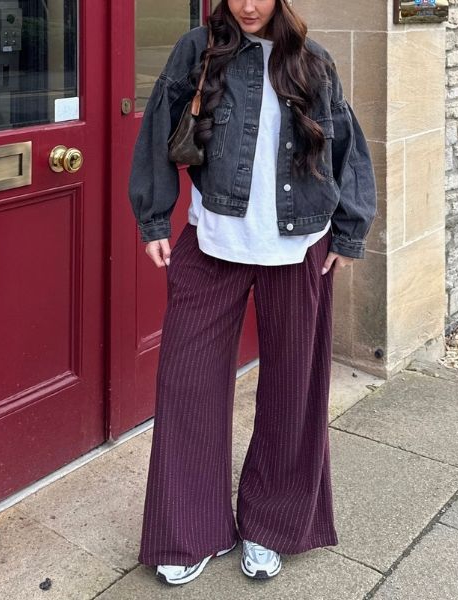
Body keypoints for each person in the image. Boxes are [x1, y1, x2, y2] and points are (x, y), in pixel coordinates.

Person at [127, 0, 377, 586]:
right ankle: (188, 529)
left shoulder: (313, 62)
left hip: (299, 250)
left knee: (293, 391)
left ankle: (272, 526)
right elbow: (160, 126)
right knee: (188, 384)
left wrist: (350, 228)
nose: (247, 4)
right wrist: (154, 219)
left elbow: (346, 145)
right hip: (212, 239)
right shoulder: (197, 49)